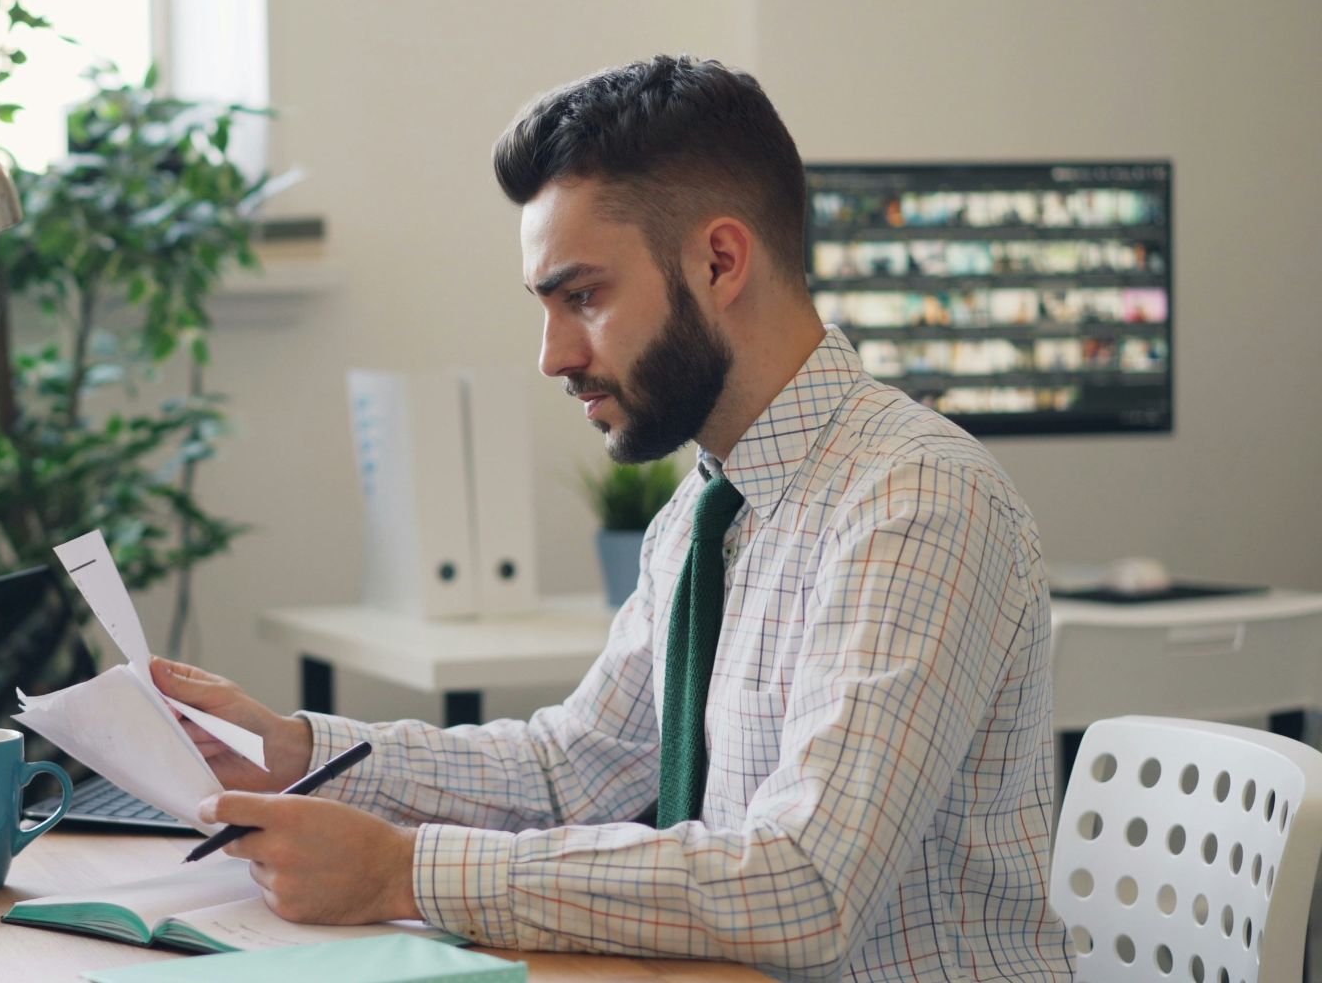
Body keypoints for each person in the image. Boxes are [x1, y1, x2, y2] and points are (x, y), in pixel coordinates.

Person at [152, 54, 1073, 978]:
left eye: (583, 296)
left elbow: (807, 885)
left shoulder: (915, 501)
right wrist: (292, 748)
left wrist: (405, 873)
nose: (553, 355)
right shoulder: (707, 511)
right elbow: (572, 769)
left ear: (720, 261)